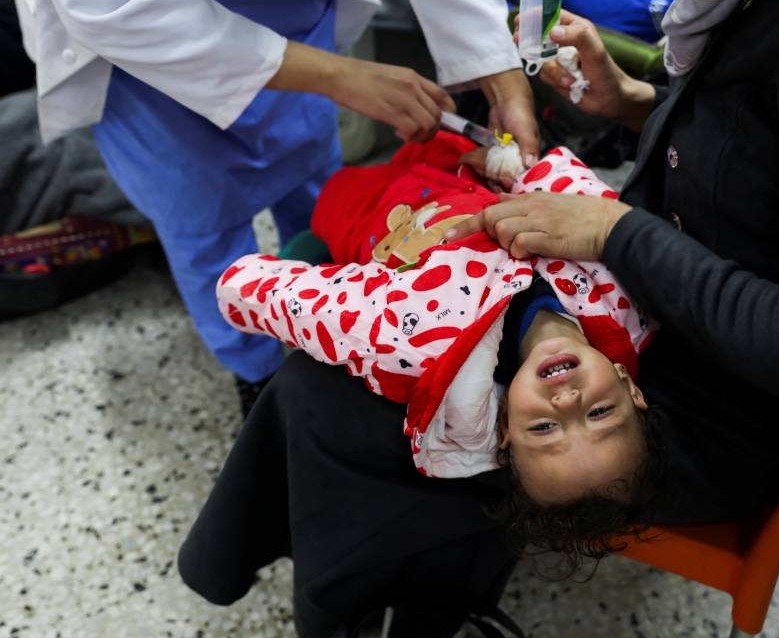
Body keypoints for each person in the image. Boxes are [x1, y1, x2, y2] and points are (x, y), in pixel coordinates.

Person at [180, 0, 779, 634]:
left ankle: (391, 599)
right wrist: (639, 103)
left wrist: (613, 233)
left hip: (731, 392)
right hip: (685, 297)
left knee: (326, 395)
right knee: (391, 280)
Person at [3, 0, 538, 411]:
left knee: (321, 187)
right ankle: (255, 370)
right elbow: (111, 0)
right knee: (202, 222)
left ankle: (333, 311)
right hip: (147, 47)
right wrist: (337, 76)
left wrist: (494, 64)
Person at [214, 131, 654, 501]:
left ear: (504, 427)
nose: (567, 403)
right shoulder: (630, 295)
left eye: (543, 427)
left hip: (369, 213)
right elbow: (592, 205)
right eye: (598, 413)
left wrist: (243, 286)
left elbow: (334, 313)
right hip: (459, 168)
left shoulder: (425, 350)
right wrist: (520, 168)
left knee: (328, 194)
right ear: (629, 387)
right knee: (429, 136)